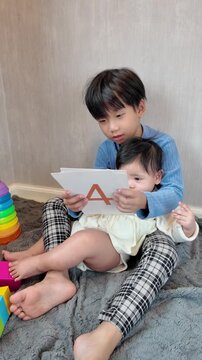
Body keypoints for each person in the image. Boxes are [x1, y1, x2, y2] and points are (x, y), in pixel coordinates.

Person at [2, 68, 185, 360]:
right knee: (54, 204)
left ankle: (106, 333)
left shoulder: (163, 145)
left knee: (166, 252)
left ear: (140, 108)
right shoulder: (106, 149)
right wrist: (78, 205)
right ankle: (56, 276)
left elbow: (175, 192)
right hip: (105, 231)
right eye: (102, 120)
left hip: (145, 228)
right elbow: (97, 195)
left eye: (119, 115)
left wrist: (143, 199)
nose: (112, 127)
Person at [8, 138, 199, 283]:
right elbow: (87, 210)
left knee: (84, 240)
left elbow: (173, 229)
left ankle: (38, 264)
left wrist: (188, 225)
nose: (129, 185)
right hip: (84, 231)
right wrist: (79, 201)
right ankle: (32, 252)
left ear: (157, 177)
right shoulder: (113, 190)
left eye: (138, 179)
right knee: (70, 226)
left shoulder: (156, 203)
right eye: (124, 177)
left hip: (110, 251)